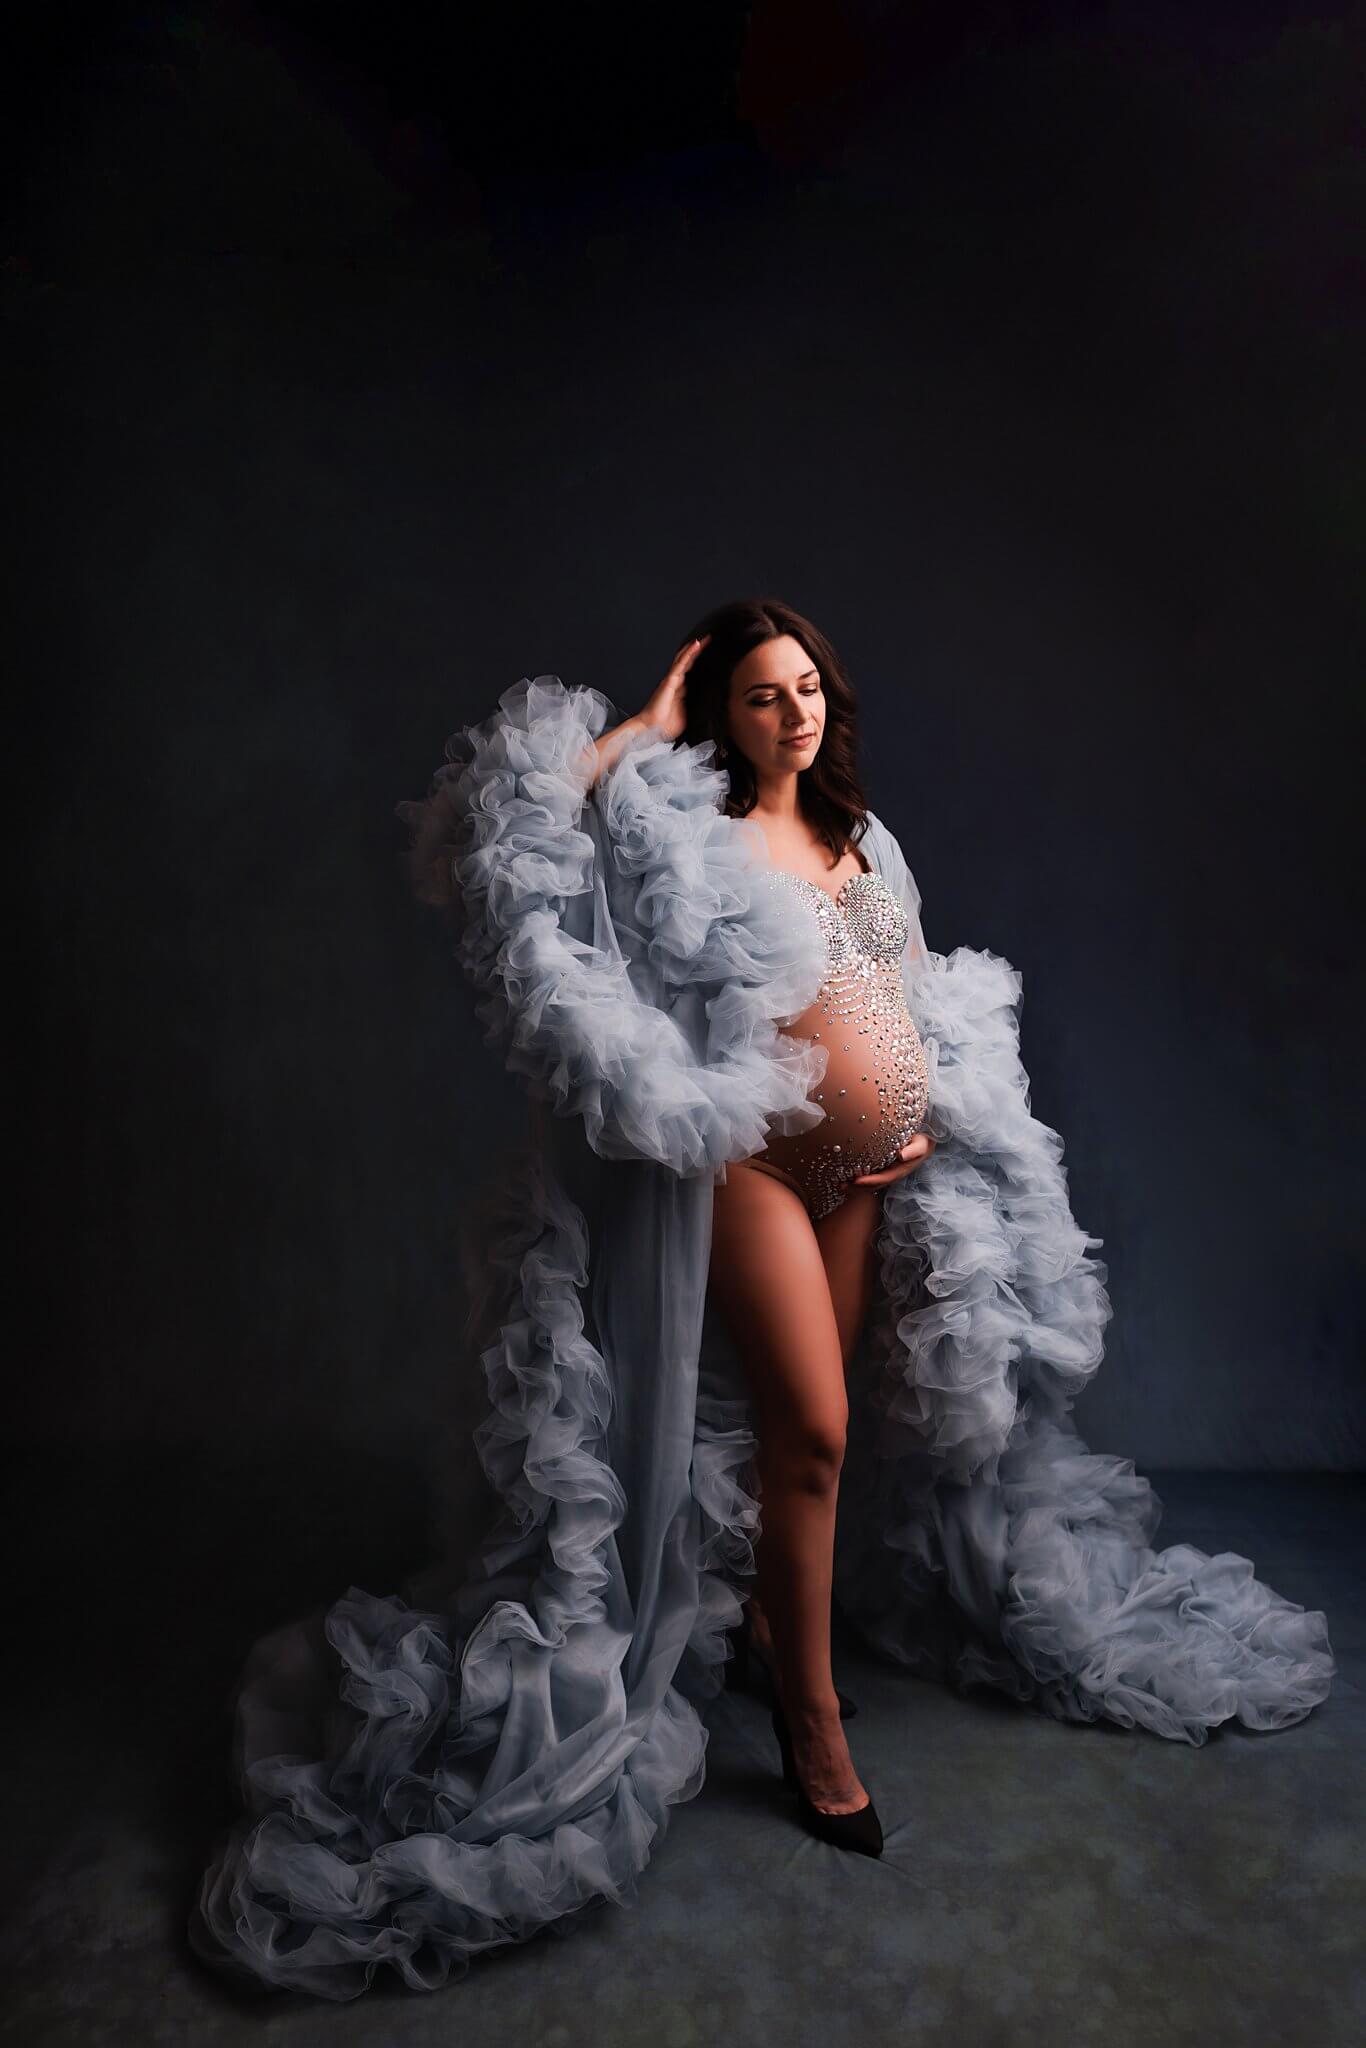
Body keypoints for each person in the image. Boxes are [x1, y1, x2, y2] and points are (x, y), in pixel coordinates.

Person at [189, 595, 1336, 2001]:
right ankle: (807, 1724)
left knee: (826, 1431)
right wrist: (645, 727)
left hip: (873, 1174)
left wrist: (927, 1121)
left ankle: (771, 1641)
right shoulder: (679, 827)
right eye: (757, 698)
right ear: (719, 718)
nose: (789, 716)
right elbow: (527, 831)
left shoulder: (863, 835)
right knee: (808, 1435)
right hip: (753, 1171)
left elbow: (901, 985)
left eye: (804, 692)